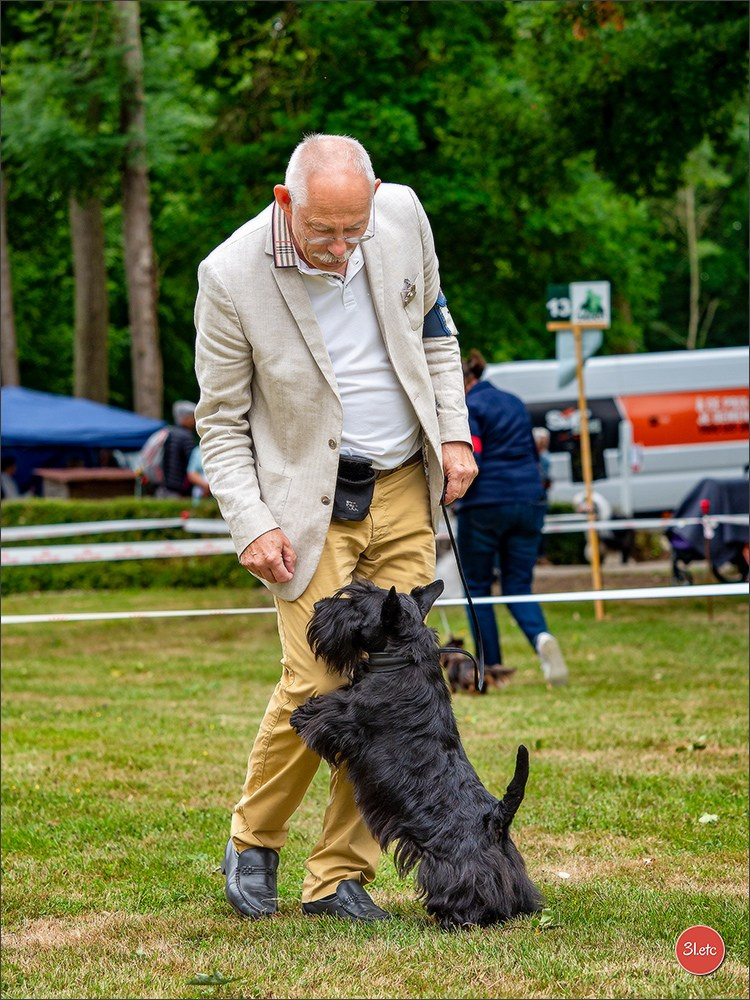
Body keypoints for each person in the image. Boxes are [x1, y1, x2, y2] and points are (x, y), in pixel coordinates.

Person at [194, 134, 476, 924]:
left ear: (376, 199)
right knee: (317, 682)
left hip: (405, 486)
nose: (343, 248)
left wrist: (454, 433)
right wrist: (250, 521)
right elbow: (220, 422)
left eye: (356, 230)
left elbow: (437, 332)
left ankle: (338, 875)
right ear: (287, 202)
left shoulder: (403, 214)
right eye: (324, 231)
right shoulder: (231, 275)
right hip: (305, 505)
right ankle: (255, 838)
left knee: (395, 689)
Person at [456, 349, 569, 689]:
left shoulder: (469, 406)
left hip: (485, 505)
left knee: (477, 587)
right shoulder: (514, 402)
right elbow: (533, 453)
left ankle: (491, 667)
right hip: (529, 501)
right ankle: (541, 638)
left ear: (462, 380)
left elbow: (472, 455)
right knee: (518, 585)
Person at [156, 401, 197, 498]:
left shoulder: (170, 433)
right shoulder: (186, 436)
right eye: (193, 417)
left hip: (165, 486)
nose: (195, 420)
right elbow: (193, 461)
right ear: (186, 418)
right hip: (180, 489)